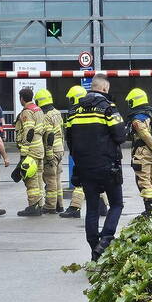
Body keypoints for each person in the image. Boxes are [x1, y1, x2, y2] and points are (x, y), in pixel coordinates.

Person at [65, 75, 126, 260]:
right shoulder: (108, 109)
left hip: (84, 167)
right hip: (107, 166)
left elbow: (69, 140)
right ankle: (106, 239)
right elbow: (120, 136)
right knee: (116, 204)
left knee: (92, 207)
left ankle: (94, 248)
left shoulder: (73, 111)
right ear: (105, 89)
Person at [59, 85, 108, 220]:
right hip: (97, 152)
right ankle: (102, 206)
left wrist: (73, 151)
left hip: (81, 152)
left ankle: (75, 207)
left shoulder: (74, 113)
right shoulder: (95, 110)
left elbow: (70, 135)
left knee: (81, 180)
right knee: (95, 179)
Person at [125, 88, 152, 216]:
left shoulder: (137, 119)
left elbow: (145, 135)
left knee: (143, 180)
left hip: (144, 153)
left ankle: (149, 210)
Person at [14, 87, 47, 216]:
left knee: (30, 178)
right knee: (38, 177)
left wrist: (24, 151)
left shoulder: (27, 112)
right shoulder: (38, 110)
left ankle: (33, 206)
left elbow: (29, 131)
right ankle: (40, 204)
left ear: (21, 98)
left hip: (31, 149)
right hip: (39, 148)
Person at [35, 88, 64, 214]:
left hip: (51, 151)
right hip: (60, 149)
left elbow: (49, 136)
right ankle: (60, 205)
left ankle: (50, 206)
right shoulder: (57, 112)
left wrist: (49, 153)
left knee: (50, 179)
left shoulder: (45, 116)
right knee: (57, 179)